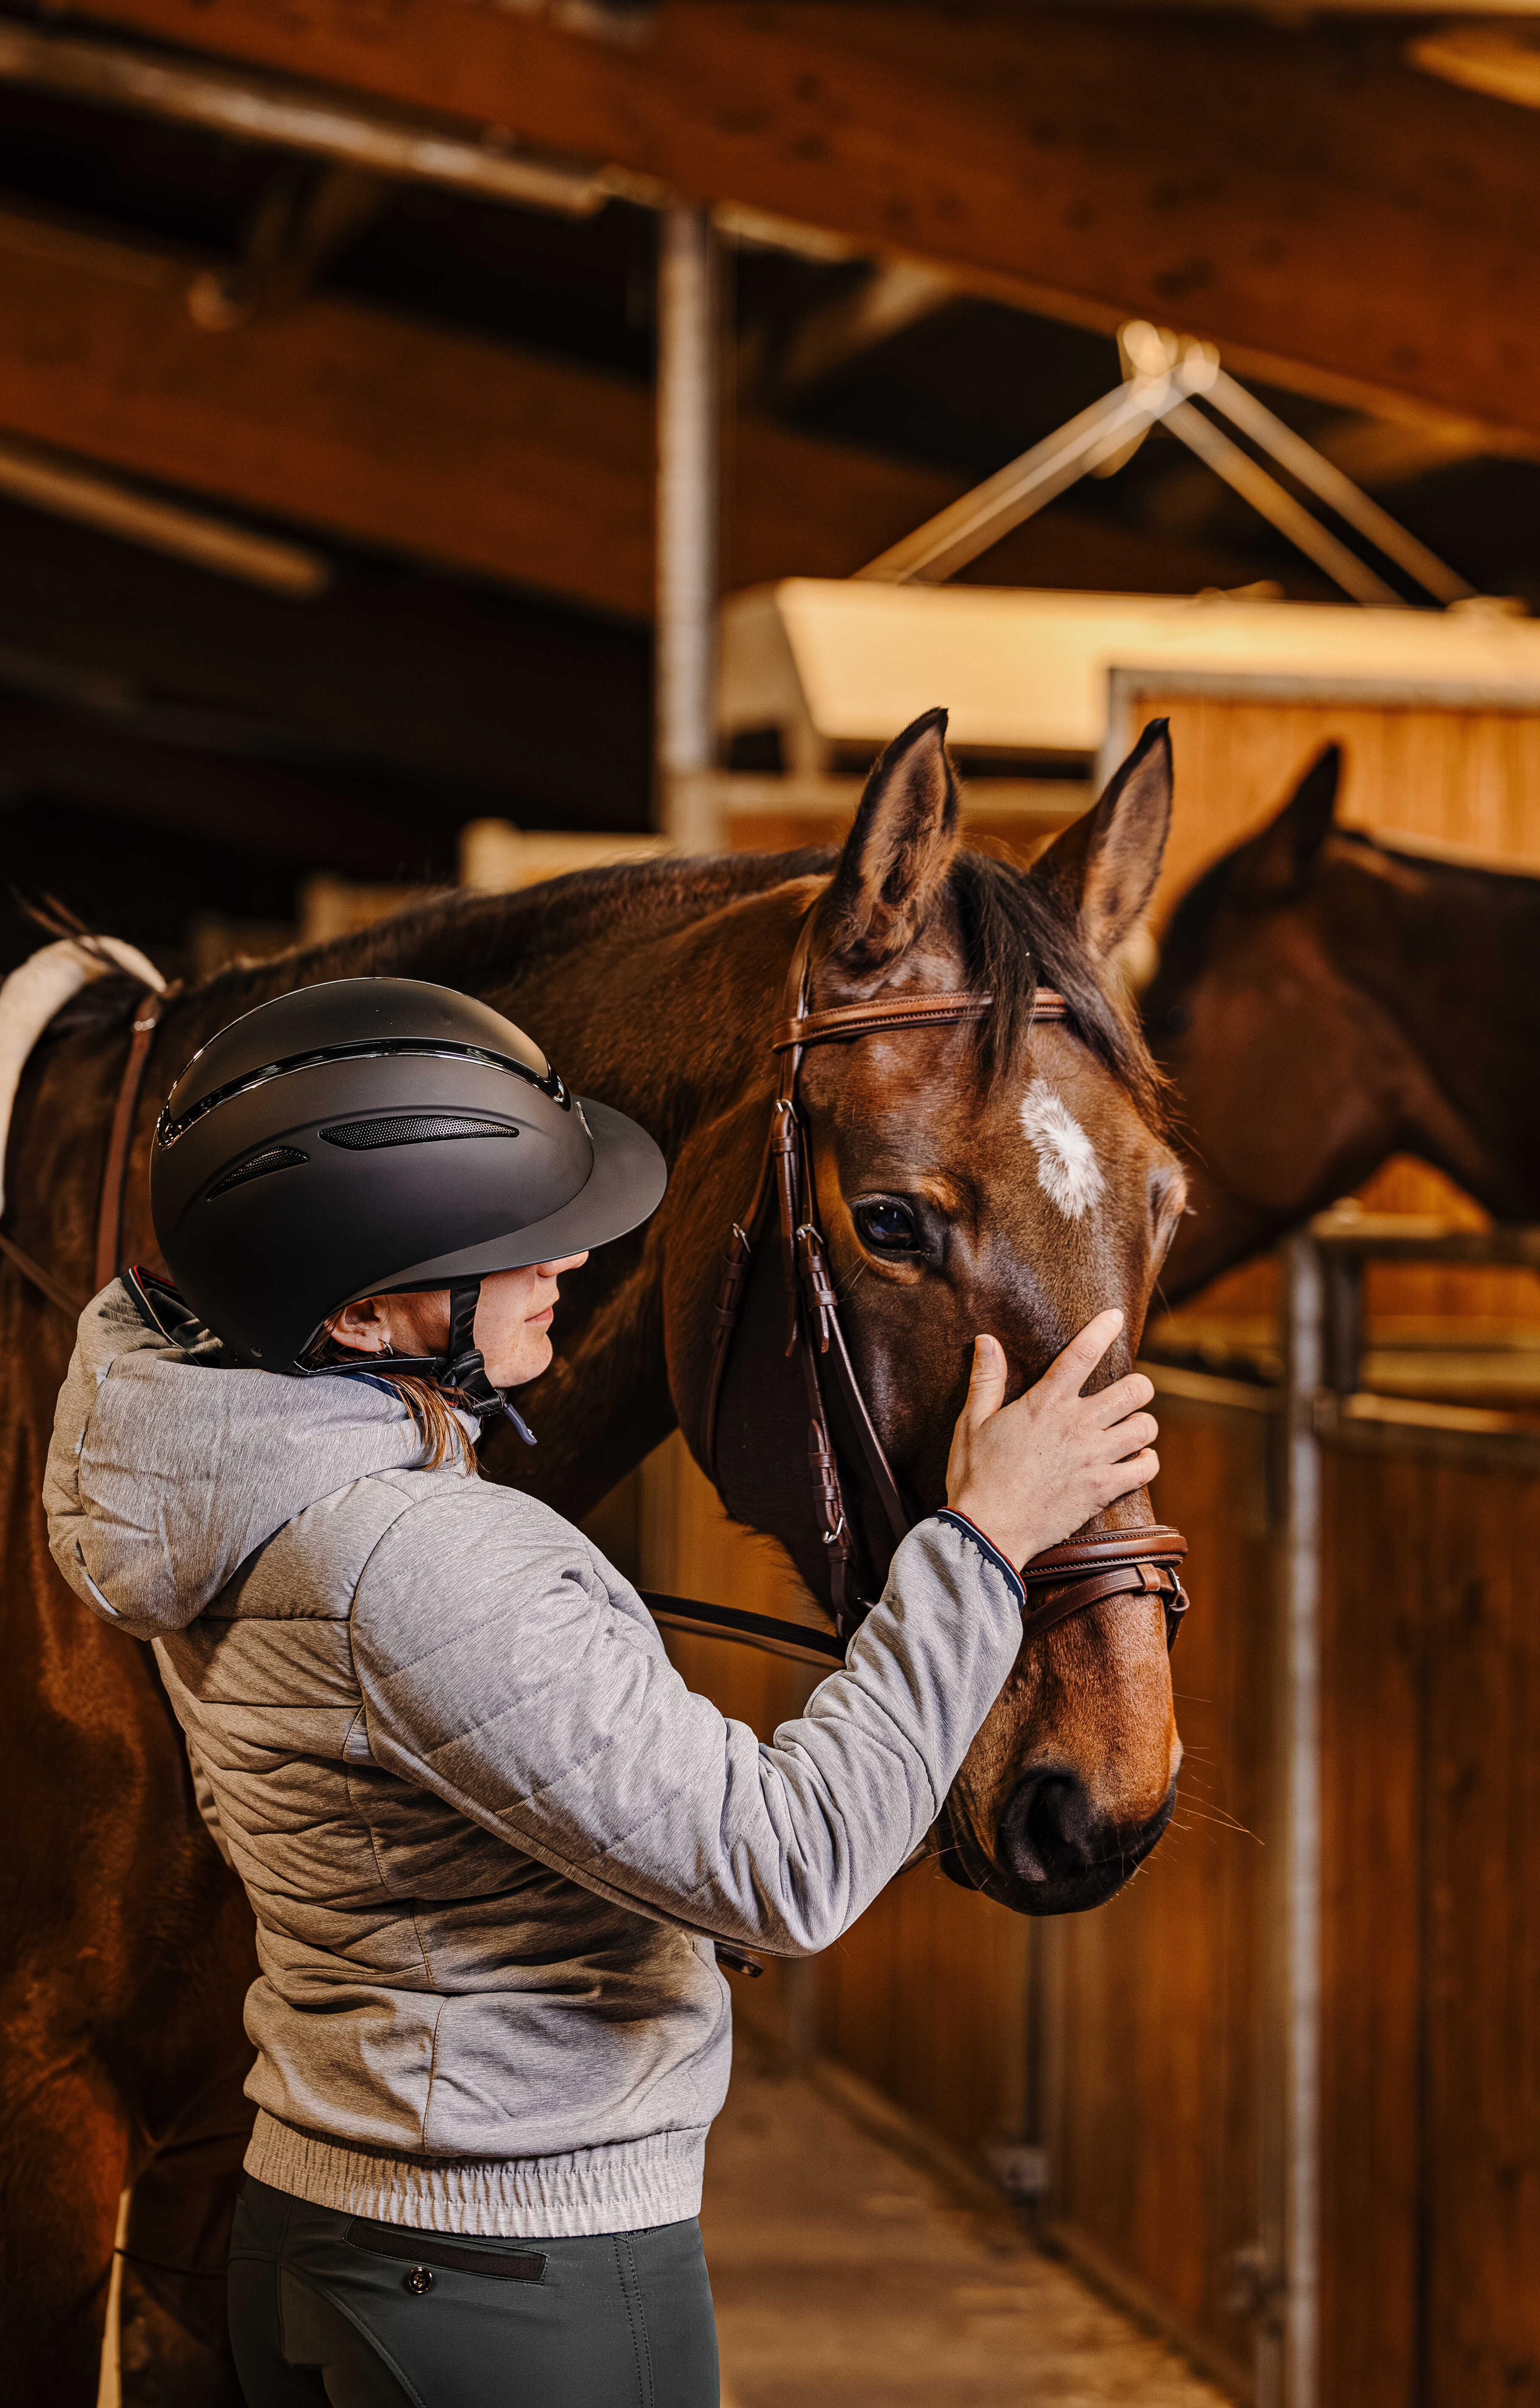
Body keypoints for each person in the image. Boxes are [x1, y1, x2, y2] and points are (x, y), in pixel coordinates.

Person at [45, 975, 1160, 2408]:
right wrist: (985, 1545)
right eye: (506, 1242)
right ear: (372, 1306)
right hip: (516, 2280)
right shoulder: (423, 1562)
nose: (567, 1259)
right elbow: (785, 1865)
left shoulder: (247, 1491)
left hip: (328, 2221)